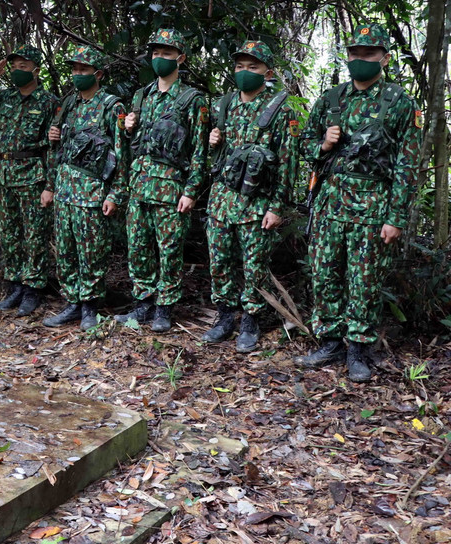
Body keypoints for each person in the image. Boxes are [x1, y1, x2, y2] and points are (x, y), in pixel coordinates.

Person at [293, 23, 423, 382]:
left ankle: (358, 349)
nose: (360, 59)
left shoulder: (399, 102)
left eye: (369, 53)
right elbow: (303, 143)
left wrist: (395, 217)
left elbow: (407, 165)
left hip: (372, 205)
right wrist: (322, 145)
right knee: (324, 274)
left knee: (364, 280)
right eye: (355, 53)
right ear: (347, 56)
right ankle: (331, 341)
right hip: (329, 203)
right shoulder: (332, 99)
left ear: (383, 57)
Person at [200, 41, 299, 352]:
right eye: (240, 67)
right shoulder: (223, 105)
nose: (244, 72)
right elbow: (209, 162)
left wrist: (276, 207)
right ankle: (225, 316)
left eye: (252, 67)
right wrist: (213, 143)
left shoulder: (279, 109)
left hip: (256, 204)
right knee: (219, 262)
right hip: (221, 199)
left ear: (267, 72)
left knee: (254, 265)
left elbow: (287, 163)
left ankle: (251, 319)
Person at [116, 29, 209, 332]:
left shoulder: (192, 99)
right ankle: (143, 303)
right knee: (138, 248)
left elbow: (199, 149)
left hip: (171, 189)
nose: (160, 59)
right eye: (156, 53)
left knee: (169, 251)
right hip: (140, 185)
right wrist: (128, 128)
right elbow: (133, 146)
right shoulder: (141, 96)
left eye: (167, 54)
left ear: (180, 58)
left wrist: (191, 191)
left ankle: (165, 307)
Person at [0, 46, 58, 316]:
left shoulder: (49, 102)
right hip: (6, 176)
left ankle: (33, 288)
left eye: (23, 66)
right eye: (14, 66)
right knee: (10, 235)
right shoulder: (7, 97)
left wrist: (50, 185)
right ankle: (15, 286)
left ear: (36, 69)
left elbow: (54, 148)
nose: (17, 71)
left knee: (35, 236)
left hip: (33, 175)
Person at [43, 46, 125, 331]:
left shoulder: (111, 106)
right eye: (75, 70)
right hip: (65, 190)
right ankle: (73, 303)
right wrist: (50, 186)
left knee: (91, 252)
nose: (78, 75)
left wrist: (115, 194)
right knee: (65, 251)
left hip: (91, 193)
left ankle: (91, 306)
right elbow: (59, 150)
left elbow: (121, 155)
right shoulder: (69, 104)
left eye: (84, 70)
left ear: (98, 74)